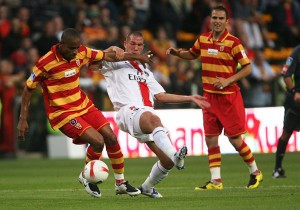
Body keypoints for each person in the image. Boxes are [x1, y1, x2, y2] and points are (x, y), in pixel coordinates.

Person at [17, 28, 151, 198]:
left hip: (84, 105)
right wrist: (23, 118)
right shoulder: (45, 63)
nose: (75, 52)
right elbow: (28, 89)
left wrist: (138, 57)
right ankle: (87, 178)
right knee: (98, 141)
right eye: (71, 48)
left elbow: (108, 56)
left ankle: (121, 183)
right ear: (61, 45)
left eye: (77, 48)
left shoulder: (81, 52)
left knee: (110, 137)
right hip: (63, 113)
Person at [92, 31, 210, 198]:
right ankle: (175, 155)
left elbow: (161, 96)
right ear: (125, 43)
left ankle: (148, 186)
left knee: (166, 162)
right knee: (155, 120)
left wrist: (190, 97)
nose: (136, 47)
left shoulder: (144, 70)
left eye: (139, 45)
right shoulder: (114, 61)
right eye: (132, 43)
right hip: (128, 111)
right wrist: (111, 49)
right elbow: (92, 64)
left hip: (145, 114)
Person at [166, 5, 263, 190]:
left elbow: (248, 68)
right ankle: (216, 181)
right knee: (211, 139)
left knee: (235, 141)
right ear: (210, 20)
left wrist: (228, 80)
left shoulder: (234, 43)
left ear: (227, 22)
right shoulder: (203, 39)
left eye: (220, 18)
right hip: (209, 98)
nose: (217, 21)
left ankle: (255, 172)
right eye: (214, 18)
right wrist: (178, 53)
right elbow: (192, 54)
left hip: (228, 98)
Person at [272, 44, 300, 178]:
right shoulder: (296, 52)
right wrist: (294, 91)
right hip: (295, 102)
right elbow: (286, 74)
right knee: (286, 133)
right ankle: (277, 168)